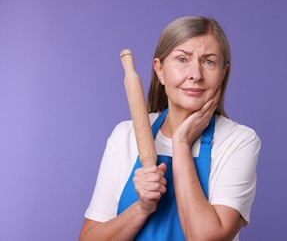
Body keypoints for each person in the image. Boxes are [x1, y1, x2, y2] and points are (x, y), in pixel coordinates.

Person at [79, 16, 261, 241]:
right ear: (160, 69)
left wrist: (181, 143)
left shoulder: (239, 141)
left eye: (209, 62)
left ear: (223, 73)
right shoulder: (125, 136)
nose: (195, 74)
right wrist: (142, 208)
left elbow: (205, 238)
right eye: (182, 59)